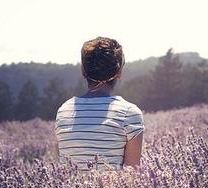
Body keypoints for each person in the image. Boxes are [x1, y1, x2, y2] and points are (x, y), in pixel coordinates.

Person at [54, 37, 145, 171]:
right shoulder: (129, 113)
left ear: (83, 72)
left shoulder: (64, 111)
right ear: (119, 72)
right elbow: (132, 175)